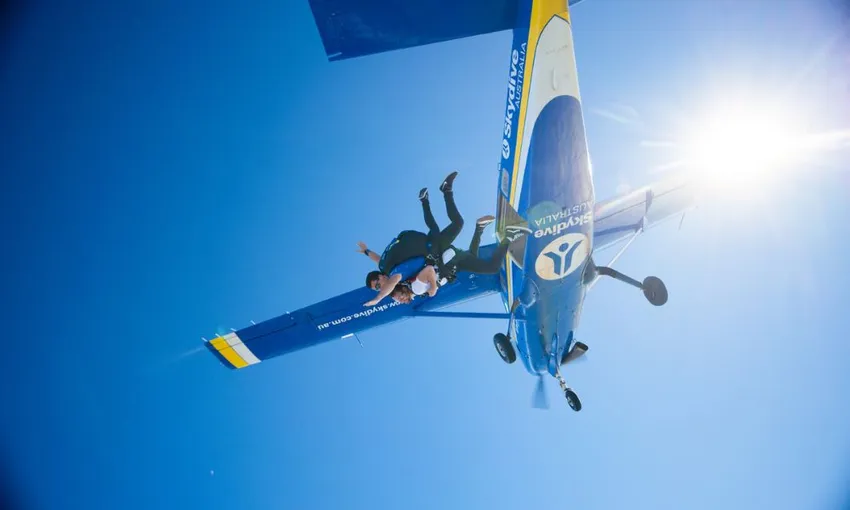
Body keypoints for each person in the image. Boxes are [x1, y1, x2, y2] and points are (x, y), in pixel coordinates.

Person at [361, 178, 530, 305]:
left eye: (378, 285)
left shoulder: (399, 277)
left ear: (382, 278)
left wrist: (378, 298)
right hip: (448, 262)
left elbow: (394, 278)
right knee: (469, 252)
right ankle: (478, 226)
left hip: (439, 253)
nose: (381, 288)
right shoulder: (388, 269)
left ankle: (437, 195)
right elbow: (380, 261)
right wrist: (367, 252)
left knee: (455, 224)